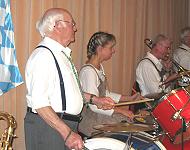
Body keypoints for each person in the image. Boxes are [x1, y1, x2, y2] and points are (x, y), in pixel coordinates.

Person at [24, 8, 115, 150]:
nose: (75, 28)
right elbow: (40, 103)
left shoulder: (61, 55)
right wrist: (67, 133)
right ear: (57, 25)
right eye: (72, 23)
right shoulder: (43, 56)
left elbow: (66, 93)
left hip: (61, 125)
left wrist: (95, 100)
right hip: (49, 127)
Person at [78, 31, 143, 136]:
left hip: (101, 114)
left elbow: (105, 94)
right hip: (92, 121)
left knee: (129, 122)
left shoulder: (99, 67)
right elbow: (94, 106)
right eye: (111, 47)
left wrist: (130, 98)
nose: (113, 51)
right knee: (127, 124)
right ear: (100, 49)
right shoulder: (88, 72)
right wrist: (121, 111)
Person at [136, 34, 178, 101]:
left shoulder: (158, 62)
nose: (169, 52)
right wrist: (170, 80)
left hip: (161, 102)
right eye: (167, 48)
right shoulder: (147, 65)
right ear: (158, 46)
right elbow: (155, 92)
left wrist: (167, 71)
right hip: (151, 105)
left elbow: (166, 88)